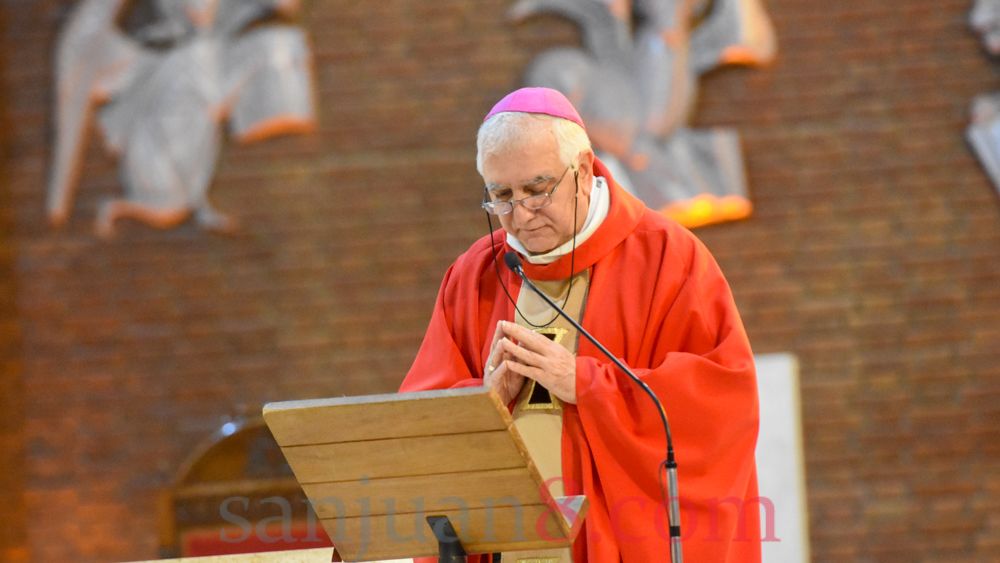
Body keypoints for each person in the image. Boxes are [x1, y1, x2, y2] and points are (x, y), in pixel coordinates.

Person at [399, 87, 761, 562]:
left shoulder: (667, 258)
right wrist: (484, 402)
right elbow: (413, 427)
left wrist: (585, 383)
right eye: (501, 196)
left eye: (537, 188)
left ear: (585, 169)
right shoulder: (474, 277)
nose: (521, 213)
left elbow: (721, 408)